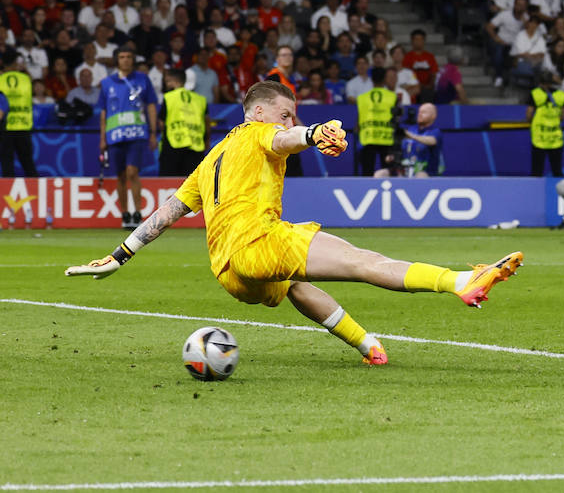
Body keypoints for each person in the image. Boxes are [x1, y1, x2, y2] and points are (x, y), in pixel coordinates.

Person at [65, 81, 523, 365]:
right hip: (258, 240)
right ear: (258, 111)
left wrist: (119, 255)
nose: (290, 119)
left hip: (230, 275)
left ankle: (367, 345)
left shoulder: (211, 160)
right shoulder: (257, 132)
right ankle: (461, 279)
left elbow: (166, 213)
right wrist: (312, 133)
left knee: (295, 285)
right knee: (362, 260)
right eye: (285, 111)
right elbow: (283, 138)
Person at [98, 46, 158, 230]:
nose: (125, 60)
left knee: (133, 172)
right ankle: (125, 215)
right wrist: (102, 138)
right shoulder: (107, 82)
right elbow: (103, 112)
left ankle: (138, 214)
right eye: (122, 57)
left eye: (129, 57)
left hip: (137, 134)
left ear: (133, 60)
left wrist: (153, 132)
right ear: (117, 60)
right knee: (121, 175)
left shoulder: (143, 79)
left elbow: (151, 106)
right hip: (115, 135)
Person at [159, 68, 208, 178]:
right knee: (192, 184)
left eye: (167, 81)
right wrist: (207, 140)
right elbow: (206, 122)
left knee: (169, 183)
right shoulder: (200, 99)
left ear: (173, 81)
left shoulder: (169, 97)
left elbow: (162, 123)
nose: (166, 84)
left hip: (173, 144)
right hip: (196, 146)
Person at [265, 44, 303, 177]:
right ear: (277, 59)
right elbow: (268, 103)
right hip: (279, 130)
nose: (287, 58)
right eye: (283, 55)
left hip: (288, 128)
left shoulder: (288, 80)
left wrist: (298, 123)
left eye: (290, 55)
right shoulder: (274, 78)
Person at [0, 49, 37, 182]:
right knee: (28, 163)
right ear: (16, 62)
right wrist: (24, 69)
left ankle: (6, 197)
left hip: (6, 127)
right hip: (23, 125)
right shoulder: (26, 78)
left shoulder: (0, 79)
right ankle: (37, 194)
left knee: (7, 163)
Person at [355, 67, 396, 177]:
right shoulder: (393, 97)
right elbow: (397, 118)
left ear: (371, 80)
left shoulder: (362, 98)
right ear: (384, 79)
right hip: (387, 138)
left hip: (368, 137)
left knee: (367, 172)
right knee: (388, 172)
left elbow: (359, 119)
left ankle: (365, 191)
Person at [527, 75, 564, 177]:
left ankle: (534, 191)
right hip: (555, 139)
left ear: (540, 83)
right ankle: (560, 192)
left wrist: (532, 122)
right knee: (557, 170)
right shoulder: (561, 95)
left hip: (539, 139)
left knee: (537, 171)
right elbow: (562, 116)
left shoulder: (535, 94)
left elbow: (529, 114)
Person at [398, 102, 442, 177]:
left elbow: (432, 141)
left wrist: (411, 136)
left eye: (424, 112)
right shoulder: (411, 129)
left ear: (433, 116)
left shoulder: (435, 131)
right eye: (419, 112)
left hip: (427, 172)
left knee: (420, 175)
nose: (419, 114)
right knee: (381, 173)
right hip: (406, 169)